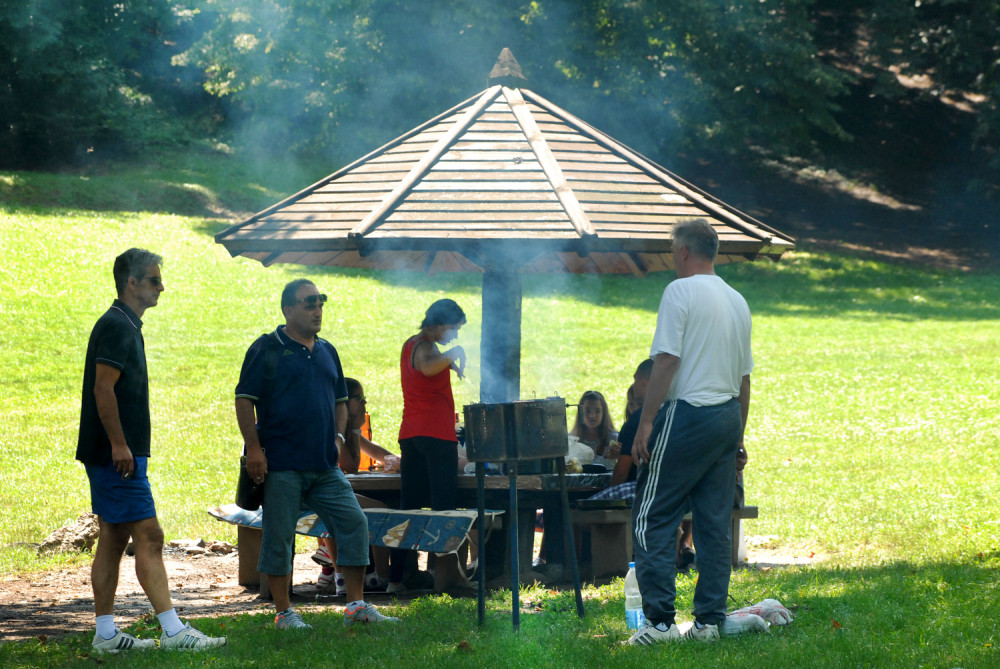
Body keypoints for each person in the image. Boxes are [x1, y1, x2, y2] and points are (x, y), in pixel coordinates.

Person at [76, 248, 226, 653]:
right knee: (150, 535)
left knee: (112, 536)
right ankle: (174, 632)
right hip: (116, 454)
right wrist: (120, 444)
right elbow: (102, 388)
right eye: (155, 280)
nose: (162, 286)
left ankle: (106, 635)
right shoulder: (118, 326)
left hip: (116, 451)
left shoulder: (125, 324)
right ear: (133, 283)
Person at [235, 279, 398, 629]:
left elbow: (341, 401)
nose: (317, 309)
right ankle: (284, 612)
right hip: (281, 464)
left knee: (354, 523)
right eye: (309, 303)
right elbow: (244, 400)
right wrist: (254, 448)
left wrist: (338, 438)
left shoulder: (328, 351)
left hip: (325, 466)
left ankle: (355, 606)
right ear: (288, 310)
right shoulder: (267, 349)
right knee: (279, 534)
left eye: (320, 302)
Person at [627, 218, 753, 645]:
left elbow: (666, 360)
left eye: (672, 250)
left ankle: (660, 623)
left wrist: (646, 422)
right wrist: (737, 438)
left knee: (651, 515)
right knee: (714, 524)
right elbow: (745, 380)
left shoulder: (679, 291)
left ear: (683, 251)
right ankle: (709, 623)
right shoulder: (738, 300)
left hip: (688, 413)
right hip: (726, 417)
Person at [388, 299, 468, 593]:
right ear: (440, 323)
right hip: (435, 436)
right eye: (454, 328)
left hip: (411, 433)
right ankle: (445, 580)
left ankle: (397, 578)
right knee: (443, 508)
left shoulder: (412, 343)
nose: (455, 336)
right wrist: (453, 354)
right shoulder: (425, 346)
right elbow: (427, 366)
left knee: (408, 508)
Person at [313, 377, 399, 593]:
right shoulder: (333, 428)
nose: (364, 403)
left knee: (381, 504)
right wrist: (352, 430)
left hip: (328, 491)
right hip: (318, 494)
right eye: (359, 399)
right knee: (382, 510)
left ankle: (352, 574)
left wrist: (399, 461)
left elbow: (374, 451)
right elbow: (350, 465)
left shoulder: (346, 428)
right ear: (342, 402)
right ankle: (380, 576)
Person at [570, 390, 620, 459]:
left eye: (597, 411)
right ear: (581, 413)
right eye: (588, 411)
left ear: (604, 413)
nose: (592, 415)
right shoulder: (571, 439)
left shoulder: (614, 438)